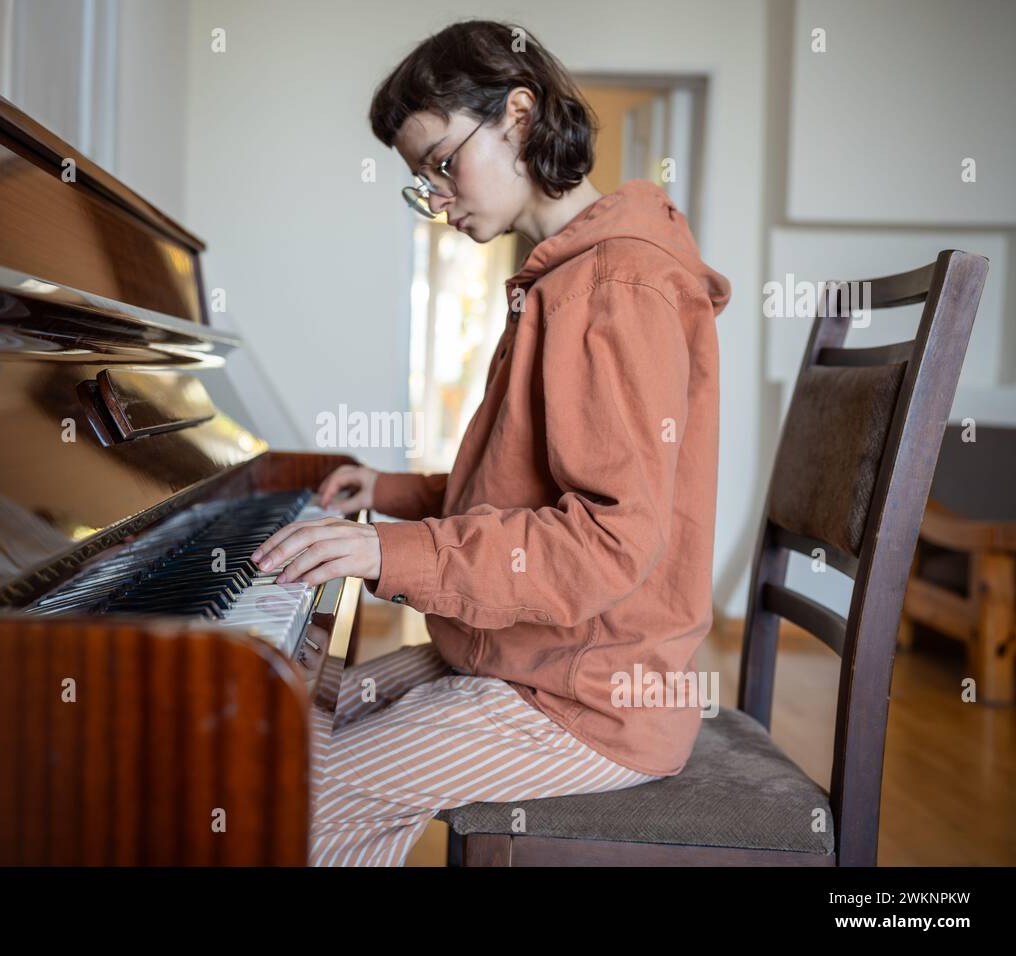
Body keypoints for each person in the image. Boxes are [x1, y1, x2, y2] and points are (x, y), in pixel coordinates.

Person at [251, 18, 732, 866]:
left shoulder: (612, 286)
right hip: (535, 663)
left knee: (300, 792)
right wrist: (390, 495)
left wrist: (385, 557)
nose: (436, 198)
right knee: (303, 711)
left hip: (587, 702)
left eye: (441, 162)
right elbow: (520, 491)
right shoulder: (565, 276)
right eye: (419, 181)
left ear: (518, 116)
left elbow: (608, 542)